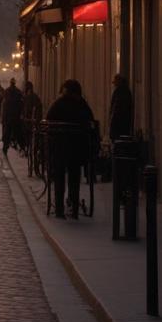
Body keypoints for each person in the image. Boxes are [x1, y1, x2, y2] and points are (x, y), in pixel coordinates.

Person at [45, 80, 97, 219]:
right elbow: (90, 122)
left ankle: (59, 210)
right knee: (74, 178)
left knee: (59, 178)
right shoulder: (81, 105)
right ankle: (74, 208)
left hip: (59, 148)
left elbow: (48, 120)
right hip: (76, 149)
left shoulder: (58, 104)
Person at [0, 78, 24, 159]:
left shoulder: (7, 91)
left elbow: (5, 105)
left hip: (9, 116)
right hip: (16, 116)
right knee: (18, 133)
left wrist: (3, 117)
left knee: (7, 133)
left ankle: (5, 148)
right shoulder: (18, 92)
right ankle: (22, 147)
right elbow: (21, 105)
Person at [109, 74, 134, 139]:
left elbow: (114, 107)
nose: (114, 84)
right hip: (125, 122)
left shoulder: (118, 91)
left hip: (119, 122)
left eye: (115, 82)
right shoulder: (127, 91)